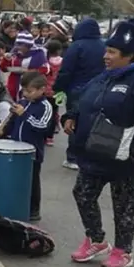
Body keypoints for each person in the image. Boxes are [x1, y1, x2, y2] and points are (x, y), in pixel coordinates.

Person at [62, 18, 134, 267]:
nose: (105, 56)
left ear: (129, 55)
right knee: (83, 194)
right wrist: (71, 116)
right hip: (95, 153)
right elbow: (85, 100)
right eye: (106, 50)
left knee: (124, 207)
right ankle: (97, 239)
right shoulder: (104, 77)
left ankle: (123, 251)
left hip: (126, 160)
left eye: (111, 52)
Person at [54, 18, 105, 170]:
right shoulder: (104, 46)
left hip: (78, 88)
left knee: (74, 121)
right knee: (95, 122)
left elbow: (66, 70)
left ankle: (73, 157)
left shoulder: (76, 46)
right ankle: (92, 154)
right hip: (100, 88)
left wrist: (59, 87)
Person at [2, 72, 52, 222]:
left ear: (42, 89)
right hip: (16, 148)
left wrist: (25, 114)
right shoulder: (23, 102)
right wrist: (4, 130)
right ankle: (14, 205)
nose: (25, 94)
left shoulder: (46, 106)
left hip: (32, 151)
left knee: (32, 182)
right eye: (23, 90)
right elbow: (12, 118)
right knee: (14, 179)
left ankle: (33, 209)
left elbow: (43, 126)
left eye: (29, 91)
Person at [0, 31, 49, 100]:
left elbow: (46, 69)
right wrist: (6, 59)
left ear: (28, 45)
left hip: (30, 89)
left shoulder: (38, 54)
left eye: (20, 45)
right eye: (17, 44)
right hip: (14, 88)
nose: (18, 47)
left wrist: (28, 71)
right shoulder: (14, 53)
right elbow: (3, 68)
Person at [44, 40, 64, 146]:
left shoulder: (46, 62)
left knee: (45, 113)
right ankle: (50, 137)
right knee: (54, 113)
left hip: (45, 91)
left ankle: (43, 134)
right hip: (58, 92)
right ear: (59, 50)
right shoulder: (63, 61)